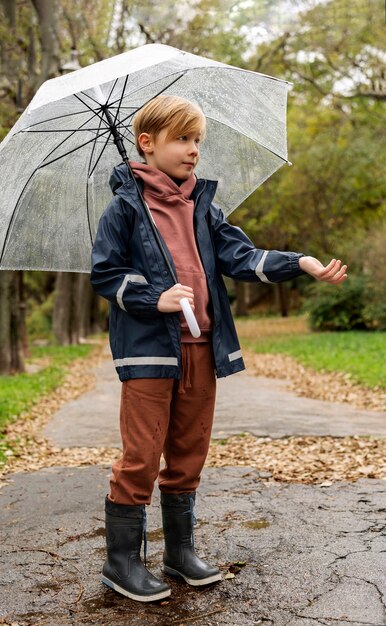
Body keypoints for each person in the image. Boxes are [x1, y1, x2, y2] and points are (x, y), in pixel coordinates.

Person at [90, 95, 348, 603]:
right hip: (149, 353)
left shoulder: (202, 206)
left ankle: (179, 552)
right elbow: (106, 274)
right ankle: (122, 561)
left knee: (188, 454)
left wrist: (302, 263)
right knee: (142, 455)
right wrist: (153, 296)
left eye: (197, 141)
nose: (193, 151)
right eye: (182, 140)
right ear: (147, 144)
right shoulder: (124, 208)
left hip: (201, 348)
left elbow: (241, 255)